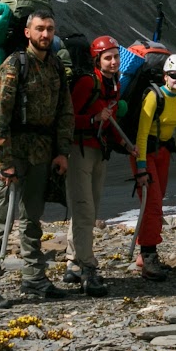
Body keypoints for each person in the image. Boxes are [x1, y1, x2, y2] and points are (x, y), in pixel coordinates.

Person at [0, 8, 72, 307]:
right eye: (40, 29)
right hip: (14, 152)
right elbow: (0, 119)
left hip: (42, 153)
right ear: (27, 32)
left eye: (50, 29)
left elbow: (64, 112)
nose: (45, 34)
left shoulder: (55, 67)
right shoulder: (13, 66)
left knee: (32, 218)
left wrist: (62, 151)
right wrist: (3, 161)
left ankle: (35, 279)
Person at [61, 35, 121, 297]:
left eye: (116, 56)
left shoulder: (113, 84)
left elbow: (111, 122)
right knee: (85, 210)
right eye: (108, 57)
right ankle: (88, 268)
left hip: (98, 152)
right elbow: (69, 119)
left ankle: (73, 262)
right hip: (79, 152)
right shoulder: (88, 82)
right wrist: (94, 118)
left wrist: (125, 145)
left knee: (88, 208)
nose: (113, 61)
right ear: (97, 60)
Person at [133, 53, 176, 281]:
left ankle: (145, 255)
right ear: (165, 76)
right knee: (153, 205)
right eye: (174, 75)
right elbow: (141, 132)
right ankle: (148, 257)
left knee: (156, 203)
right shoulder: (153, 97)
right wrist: (140, 167)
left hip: (163, 154)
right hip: (145, 153)